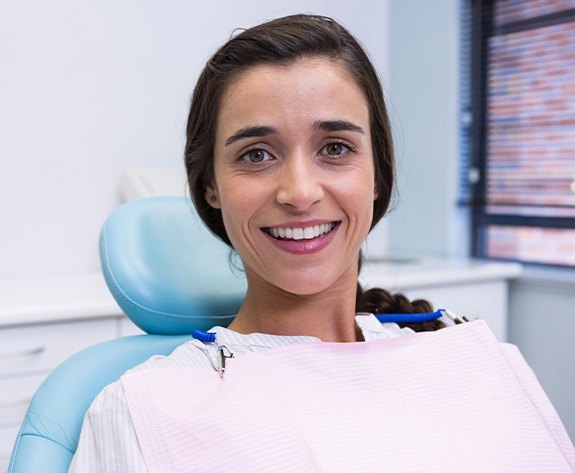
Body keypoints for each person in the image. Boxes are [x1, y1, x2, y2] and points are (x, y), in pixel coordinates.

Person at [69, 14, 574, 472]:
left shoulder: (466, 357)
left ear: (377, 175)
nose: (301, 193)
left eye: (335, 148)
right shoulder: (143, 409)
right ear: (210, 187)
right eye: (256, 154)